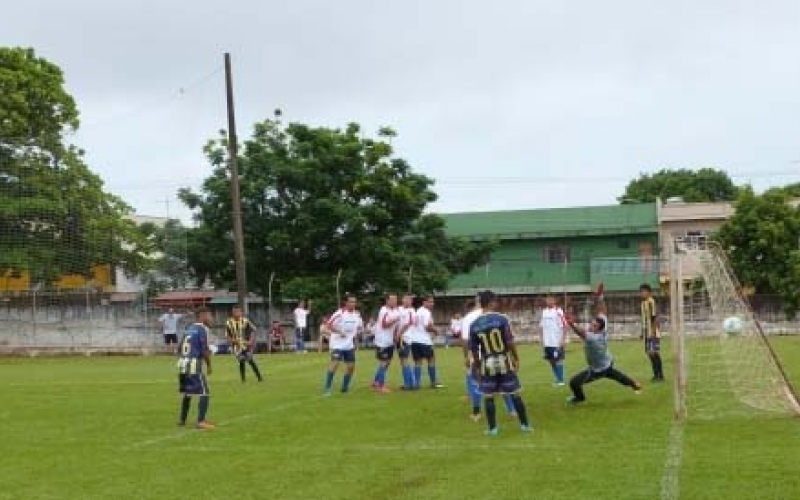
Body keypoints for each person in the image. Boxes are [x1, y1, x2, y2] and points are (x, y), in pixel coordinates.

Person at [469, 290, 532, 436]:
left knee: (489, 396)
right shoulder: (502, 319)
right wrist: (516, 358)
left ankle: (493, 429)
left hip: (487, 364)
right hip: (504, 361)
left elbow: (473, 349)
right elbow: (509, 341)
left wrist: (478, 366)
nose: (496, 303)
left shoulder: (474, 324)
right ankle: (525, 426)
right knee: (514, 393)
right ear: (491, 302)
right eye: (495, 301)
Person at [564, 313, 642, 405]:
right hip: (607, 362)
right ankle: (634, 384)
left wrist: (572, 324)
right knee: (616, 375)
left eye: (594, 326)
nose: (591, 326)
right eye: (591, 324)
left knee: (574, 382)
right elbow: (601, 316)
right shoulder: (602, 332)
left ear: (599, 329)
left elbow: (581, 333)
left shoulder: (593, 338)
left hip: (597, 370)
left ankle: (580, 399)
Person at [462, 299, 517, 421]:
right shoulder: (497, 317)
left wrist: (467, 356)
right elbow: (508, 339)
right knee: (504, 382)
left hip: (479, 356)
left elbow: (466, 341)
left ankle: (476, 413)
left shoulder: (468, 318)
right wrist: (513, 356)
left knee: (477, 383)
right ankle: (512, 410)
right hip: (499, 355)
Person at [176, 307, 214, 430]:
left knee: (187, 392)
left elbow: (179, 348)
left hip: (182, 364)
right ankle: (201, 421)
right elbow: (204, 350)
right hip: (193, 364)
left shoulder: (189, 329)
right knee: (205, 392)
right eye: (209, 315)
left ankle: (182, 420)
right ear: (202, 316)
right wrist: (209, 365)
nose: (211, 318)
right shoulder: (203, 329)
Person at [323, 295, 362, 396]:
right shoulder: (339, 313)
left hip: (349, 345)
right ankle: (327, 388)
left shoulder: (356, 315)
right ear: (346, 303)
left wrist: (359, 332)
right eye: (351, 302)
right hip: (337, 344)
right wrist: (339, 332)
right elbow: (328, 325)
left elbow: (358, 328)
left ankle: (344, 388)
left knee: (351, 367)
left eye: (354, 302)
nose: (353, 304)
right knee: (335, 364)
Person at [411, 295, 443, 389]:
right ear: (424, 302)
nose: (432, 304)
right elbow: (427, 326)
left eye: (432, 302)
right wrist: (436, 330)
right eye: (430, 302)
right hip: (424, 341)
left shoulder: (418, 311)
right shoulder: (426, 312)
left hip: (415, 340)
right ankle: (433, 383)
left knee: (418, 362)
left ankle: (416, 384)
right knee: (431, 360)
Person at [225, 306, 263, 383]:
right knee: (241, 360)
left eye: (238, 312)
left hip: (246, 345)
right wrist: (233, 341)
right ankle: (243, 379)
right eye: (235, 312)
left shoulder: (245, 321)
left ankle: (259, 377)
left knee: (250, 360)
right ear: (232, 313)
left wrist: (250, 341)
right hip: (236, 346)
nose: (236, 313)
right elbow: (227, 336)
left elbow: (253, 330)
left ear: (241, 312)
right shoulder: (229, 322)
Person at [371, 293, 400, 393]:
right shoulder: (384, 310)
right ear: (387, 301)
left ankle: (375, 381)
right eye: (393, 299)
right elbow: (384, 325)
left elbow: (395, 326)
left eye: (396, 299)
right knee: (383, 363)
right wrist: (394, 319)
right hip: (382, 341)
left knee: (387, 363)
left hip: (389, 341)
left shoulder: (395, 310)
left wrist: (395, 335)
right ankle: (381, 387)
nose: (395, 301)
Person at [540, 295, 568, 386]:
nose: (549, 301)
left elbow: (565, 326)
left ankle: (561, 380)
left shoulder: (558, 311)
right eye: (547, 299)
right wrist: (542, 340)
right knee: (551, 361)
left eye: (551, 299)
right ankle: (557, 378)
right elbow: (541, 327)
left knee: (558, 360)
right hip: (547, 342)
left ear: (554, 301)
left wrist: (563, 340)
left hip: (556, 341)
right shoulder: (544, 312)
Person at [640, 283, 665, 382]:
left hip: (652, 332)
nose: (642, 293)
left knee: (653, 352)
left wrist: (653, 332)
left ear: (648, 292)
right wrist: (642, 332)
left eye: (643, 291)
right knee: (650, 354)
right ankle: (656, 375)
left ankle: (660, 375)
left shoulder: (651, 302)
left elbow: (655, 318)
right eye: (641, 292)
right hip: (647, 333)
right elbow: (644, 319)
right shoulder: (643, 303)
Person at [396, 293, 417, 389]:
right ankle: (411, 383)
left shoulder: (411, 311)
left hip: (405, 338)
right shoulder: (399, 309)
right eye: (405, 299)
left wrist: (399, 334)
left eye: (409, 299)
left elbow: (407, 324)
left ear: (411, 301)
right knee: (403, 360)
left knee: (404, 360)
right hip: (400, 337)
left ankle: (409, 384)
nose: (406, 301)